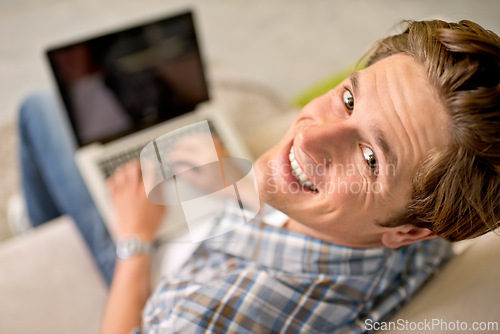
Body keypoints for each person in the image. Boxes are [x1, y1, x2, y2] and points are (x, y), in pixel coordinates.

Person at [17, 19, 499, 333]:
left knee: (41, 110)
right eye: (348, 99)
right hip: (236, 220)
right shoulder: (427, 236)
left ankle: (39, 227)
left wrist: (134, 243)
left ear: (408, 230)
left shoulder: (201, 316)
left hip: (152, 269)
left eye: (371, 158)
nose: (308, 139)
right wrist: (247, 187)